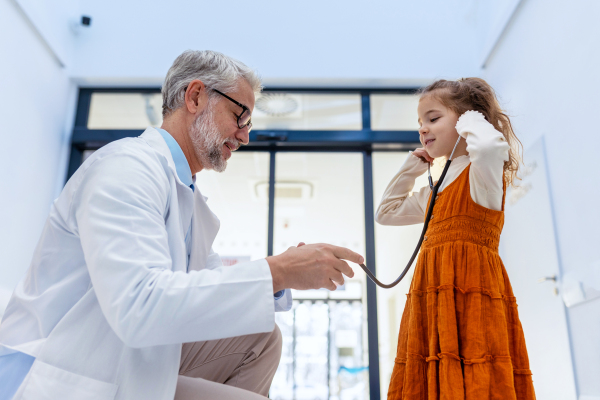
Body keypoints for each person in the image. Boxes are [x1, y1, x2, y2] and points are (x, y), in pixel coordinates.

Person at [0, 50, 363, 400]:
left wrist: (283, 271)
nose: (245, 136)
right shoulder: (126, 168)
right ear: (195, 97)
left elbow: (202, 288)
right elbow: (139, 306)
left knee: (262, 336)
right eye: (240, 116)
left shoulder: (187, 196)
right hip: (68, 371)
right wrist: (277, 272)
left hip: (129, 361)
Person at [376, 78, 536, 399]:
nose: (422, 129)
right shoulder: (434, 191)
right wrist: (412, 168)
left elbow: (490, 146)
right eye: (420, 123)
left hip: (471, 291)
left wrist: (472, 118)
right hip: (432, 293)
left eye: (433, 119)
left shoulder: (483, 174)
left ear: (466, 122)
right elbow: (386, 212)